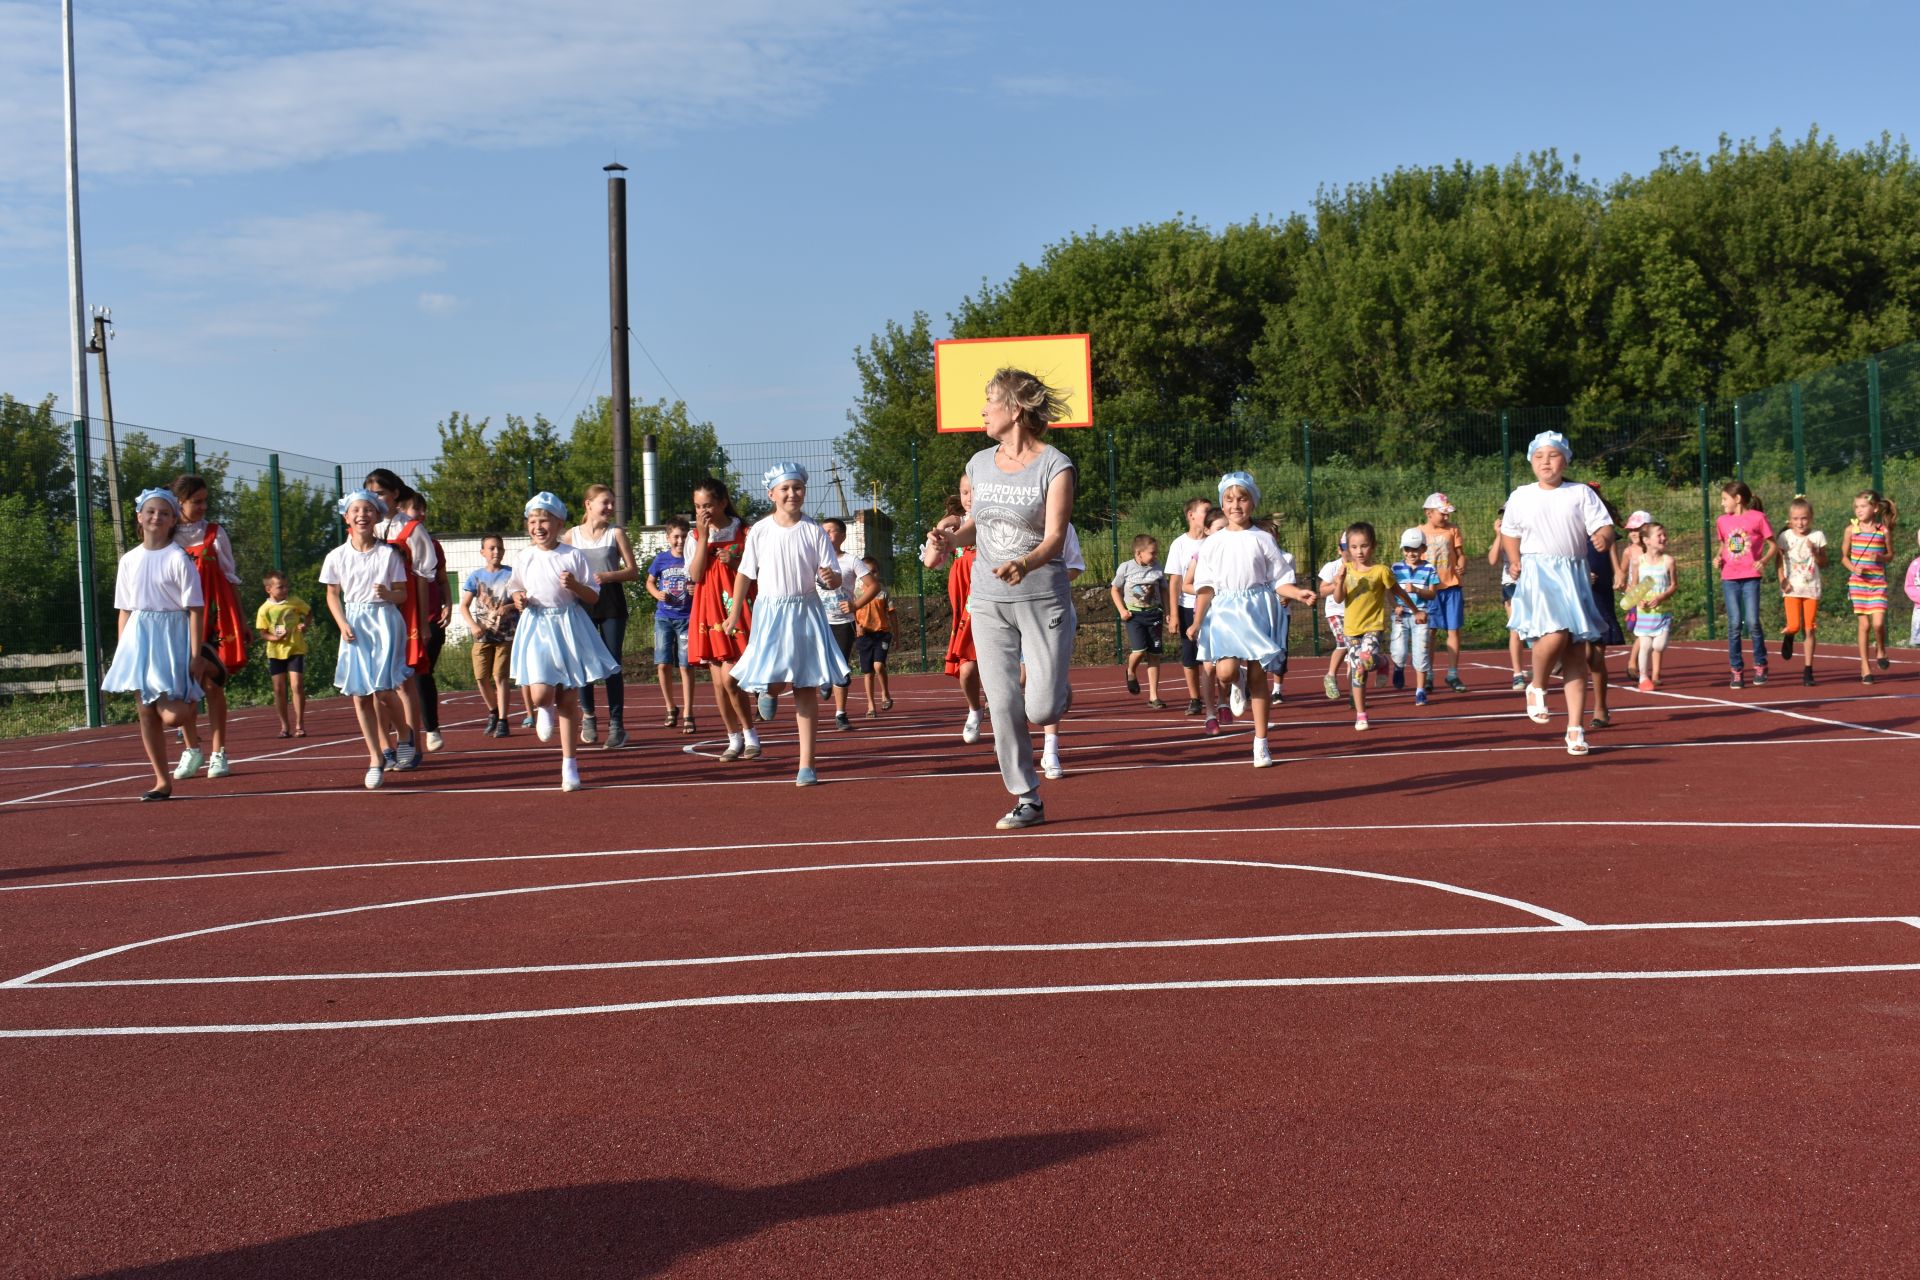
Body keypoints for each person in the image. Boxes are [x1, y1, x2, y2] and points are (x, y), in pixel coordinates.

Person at [926, 367, 1076, 831]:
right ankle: (1027, 796)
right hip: (987, 600)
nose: (983, 411)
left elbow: (1055, 537)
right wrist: (951, 538)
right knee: (1003, 700)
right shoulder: (978, 463)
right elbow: (979, 522)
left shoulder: (1056, 465)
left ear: (1014, 409)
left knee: (1042, 709)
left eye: (990, 401)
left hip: (1042, 595)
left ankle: (1055, 688)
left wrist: (1025, 564)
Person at [725, 463, 850, 786]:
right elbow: (744, 574)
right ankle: (769, 690)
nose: (792, 493)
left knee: (805, 685)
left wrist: (830, 578)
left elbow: (833, 578)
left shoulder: (814, 531)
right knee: (774, 678)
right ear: (772, 494)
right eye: (785, 489)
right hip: (770, 613)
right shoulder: (760, 531)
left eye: (797, 488)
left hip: (806, 611)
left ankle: (806, 764)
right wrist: (735, 611)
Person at [1499, 431, 1614, 756]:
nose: (1545, 462)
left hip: (1574, 574)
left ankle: (1575, 730)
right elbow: (1510, 532)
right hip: (1539, 573)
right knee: (1555, 633)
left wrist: (1604, 538)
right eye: (1539, 456)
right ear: (1531, 461)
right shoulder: (1521, 495)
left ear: (1565, 459)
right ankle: (1537, 685)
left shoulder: (1580, 493)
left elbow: (1603, 526)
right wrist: (1515, 559)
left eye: (1552, 455)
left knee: (1577, 652)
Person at [102, 488, 214, 800]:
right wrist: (124, 651)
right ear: (139, 516)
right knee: (145, 711)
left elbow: (195, 609)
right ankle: (162, 780)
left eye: (164, 513)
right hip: (140, 636)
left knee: (172, 716)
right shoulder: (129, 560)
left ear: (172, 520)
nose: (156, 517)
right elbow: (125, 610)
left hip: (171, 636)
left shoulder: (179, 558)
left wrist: (195, 654)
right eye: (150, 511)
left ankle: (194, 695)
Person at [507, 492, 621, 791]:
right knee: (541, 694)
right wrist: (518, 598)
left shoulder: (572, 555)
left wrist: (574, 586)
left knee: (568, 699)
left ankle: (569, 764)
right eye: (533, 521)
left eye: (544, 520)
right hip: (536, 625)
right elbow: (516, 588)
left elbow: (593, 596)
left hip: (568, 625)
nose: (538, 526)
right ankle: (542, 709)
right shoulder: (524, 556)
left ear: (559, 523)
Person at [1188, 472, 1288, 768]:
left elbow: (1280, 576)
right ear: (1222, 503)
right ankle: (1236, 680)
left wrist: (1296, 592)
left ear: (1252, 503)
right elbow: (1205, 587)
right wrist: (1196, 621)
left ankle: (1261, 743)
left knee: (1260, 677)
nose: (1235, 505)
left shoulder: (1263, 539)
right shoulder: (1213, 543)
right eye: (1229, 499)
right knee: (1225, 672)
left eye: (1242, 498)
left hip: (1256, 608)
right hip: (1224, 612)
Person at [320, 489, 415, 790]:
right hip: (354, 623)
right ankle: (376, 758)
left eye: (368, 510)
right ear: (346, 516)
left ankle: (405, 735)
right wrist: (342, 623)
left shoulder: (389, 555)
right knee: (360, 694)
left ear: (377, 515)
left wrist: (389, 594)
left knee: (385, 691)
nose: (362, 514)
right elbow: (332, 594)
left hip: (385, 620)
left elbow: (403, 593)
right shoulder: (336, 556)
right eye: (355, 510)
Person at [170, 473, 250, 780]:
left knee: (211, 685)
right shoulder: (167, 536)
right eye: (196, 501)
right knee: (184, 688)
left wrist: (241, 621)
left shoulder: (215, 534)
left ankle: (219, 753)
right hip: (177, 620)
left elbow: (231, 579)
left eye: (205, 500)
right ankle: (192, 749)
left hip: (213, 619)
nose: (203, 506)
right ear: (180, 502)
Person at [686, 475, 759, 760]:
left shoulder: (745, 531)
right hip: (708, 608)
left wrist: (737, 562)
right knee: (718, 683)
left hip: (738, 605)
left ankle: (751, 732)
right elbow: (694, 575)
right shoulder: (696, 537)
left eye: (707, 505)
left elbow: (760, 570)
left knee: (731, 679)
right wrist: (704, 538)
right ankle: (734, 738)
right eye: (697, 506)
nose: (702, 511)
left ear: (723, 503)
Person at [363, 469, 431, 769]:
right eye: (370, 493)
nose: (374, 499)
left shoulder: (411, 529)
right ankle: (385, 747)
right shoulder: (366, 529)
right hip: (371, 612)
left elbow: (422, 576)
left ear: (394, 494)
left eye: (379, 493)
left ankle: (411, 742)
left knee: (404, 682)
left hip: (405, 610)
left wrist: (424, 622)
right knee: (374, 684)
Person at [563, 483, 640, 749]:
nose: (610, 507)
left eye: (612, 503)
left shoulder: (615, 533)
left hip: (611, 603)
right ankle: (589, 716)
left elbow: (633, 571)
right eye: (604, 502)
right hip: (582, 603)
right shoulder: (571, 536)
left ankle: (617, 725)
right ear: (588, 505)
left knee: (611, 663)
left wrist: (608, 576)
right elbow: (555, 563)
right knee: (584, 662)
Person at [1331, 523, 1416, 732]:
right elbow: (1338, 598)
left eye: (1364, 546)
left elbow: (1399, 592)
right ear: (1348, 549)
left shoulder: (1381, 571)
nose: (1359, 551)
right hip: (1351, 629)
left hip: (1372, 626)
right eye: (1354, 547)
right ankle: (1361, 714)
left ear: (1373, 546)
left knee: (1365, 660)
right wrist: (1339, 582)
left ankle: (1382, 661)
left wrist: (1415, 610)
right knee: (1359, 670)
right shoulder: (1346, 570)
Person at [923, 484, 986, 744]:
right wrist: (938, 534)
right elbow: (930, 562)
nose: (969, 497)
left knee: (1009, 674)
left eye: (974, 490)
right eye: (964, 492)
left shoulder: (994, 521)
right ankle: (975, 709)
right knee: (968, 671)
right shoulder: (953, 529)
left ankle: (1007, 727)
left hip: (996, 604)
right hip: (967, 613)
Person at [393, 490, 453, 752]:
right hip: (399, 619)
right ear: (401, 511)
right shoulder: (388, 544)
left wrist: (448, 605)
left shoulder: (431, 543)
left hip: (428, 618)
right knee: (396, 681)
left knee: (420, 672)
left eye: (424, 508)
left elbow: (441, 580)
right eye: (417, 508)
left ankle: (430, 728)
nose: (423, 513)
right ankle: (403, 735)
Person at [460, 533, 519, 737]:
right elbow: (464, 606)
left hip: (506, 634)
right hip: (483, 634)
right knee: (480, 677)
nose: (496, 552)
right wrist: (473, 625)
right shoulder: (476, 577)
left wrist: (510, 606)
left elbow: (523, 599)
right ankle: (493, 711)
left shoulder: (512, 574)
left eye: (500, 548)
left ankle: (503, 720)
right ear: (483, 552)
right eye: (492, 548)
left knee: (500, 676)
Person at [1717, 480, 1775, 688]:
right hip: (1729, 577)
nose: (1722, 503)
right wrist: (1718, 558)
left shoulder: (1758, 518)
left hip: (1751, 576)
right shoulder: (1722, 521)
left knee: (1752, 622)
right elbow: (1724, 544)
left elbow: (1772, 544)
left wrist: (1764, 560)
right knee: (1734, 624)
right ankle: (1737, 670)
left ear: (1737, 498)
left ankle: (1760, 663)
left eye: (1725, 499)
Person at [1164, 497, 1215, 718]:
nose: (1209, 514)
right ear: (1191, 515)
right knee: (1189, 654)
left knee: (1215, 653)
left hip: (1214, 606)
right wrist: (1173, 613)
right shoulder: (1180, 544)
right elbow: (1175, 581)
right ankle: (1195, 699)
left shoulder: (1215, 540)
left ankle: (1220, 696)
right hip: (1187, 607)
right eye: (1205, 511)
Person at [645, 515, 696, 734]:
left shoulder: (693, 559)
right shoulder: (661, 559)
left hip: (686, 619)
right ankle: (670, 707)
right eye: (676, 537)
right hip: (664, 618)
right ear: (668, 538)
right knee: (663, 664)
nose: (680, 541)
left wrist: (696, 590)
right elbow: (649, 581)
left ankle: (688, 712)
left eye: (684, 536)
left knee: (686, 666)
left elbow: (702, 582)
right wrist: (657, 593)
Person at [817, 516, 866, 733]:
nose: (826, 535)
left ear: (843, 536)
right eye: (823, 531)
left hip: (843, 622)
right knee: (820, 660)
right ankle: (823, 678)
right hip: (817, 620)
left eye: (831, 531)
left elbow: (873, 586)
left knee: (841, 668)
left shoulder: (851, 561)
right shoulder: (812, 560)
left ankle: (840, 714)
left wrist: (855, 605)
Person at [1583, 487, 1626, 731]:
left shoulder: (1603, 524)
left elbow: (1611, 549)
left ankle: (1601, 707)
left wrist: (1618, 571)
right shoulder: (1570, 523)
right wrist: (1578, 575)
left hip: (1599, 591)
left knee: (1596, 654)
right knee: (1577, 650)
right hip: (1573, 590)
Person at [1775, 496, 1829, 687]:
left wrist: (1815, 552)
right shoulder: (1785, 537)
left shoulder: (1817, 536)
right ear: (1790, 520)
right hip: (1791, 588)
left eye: (1804, 518)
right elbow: (1778, 562)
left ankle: (1808, 670)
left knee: (1809, 628)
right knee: (1794, 626)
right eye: (1796, 519)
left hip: (1811, 588)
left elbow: (1824, 562)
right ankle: (1789, 635)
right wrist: (1782, 580)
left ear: (1811, 518)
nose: (1800, 522)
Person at [1417, 493, 1468, 691]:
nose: (1446, 517)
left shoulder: (1453, 530)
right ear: (1429, 513)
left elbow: (1460, 555)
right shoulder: (1418, 532)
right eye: (1442, 513)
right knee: (1430, 632)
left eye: (1448, 514)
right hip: (1429, 590)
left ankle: (1453, 674)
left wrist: (1462, 565)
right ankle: (1428, 673)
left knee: (1453, 629)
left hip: (1452, 587)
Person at [1111, 533, 1168, 708]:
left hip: (1154, 615)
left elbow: (1164, 590)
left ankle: (1153, 697)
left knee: (1154, 655)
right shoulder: (1126, 568)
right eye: (1152, 552)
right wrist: (1122, 610)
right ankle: (1130, 671)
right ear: (1139, 553)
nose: (1155, 556)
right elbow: (1114, 590)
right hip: (1134, 616)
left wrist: (1168, 611)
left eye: (1156, 552)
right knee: (1139, 650)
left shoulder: (1157, 567)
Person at [255, 569, 311, 738]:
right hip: (275, 653)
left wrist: (304, 625)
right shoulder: (264, 609)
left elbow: (308, 613)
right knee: (279, 689)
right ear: (269, 589)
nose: (285, 590)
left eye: (286, 587)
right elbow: (263, 632)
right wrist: (274, 637)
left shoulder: (294, 602)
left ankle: (299, 724)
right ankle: (284, 726)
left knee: (296, 685)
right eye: (280, 587)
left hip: (295, 648)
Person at [1845, 489, 1893, 684]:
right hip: (1858, 584)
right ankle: (1865, 666)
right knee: (1864, 625)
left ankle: (1881, 648)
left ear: (1874, 508)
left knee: (1878, 623)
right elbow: (1843, 556)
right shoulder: (1851, 530)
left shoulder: (1883, 531)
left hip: (1877, 583)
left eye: (1863, 506)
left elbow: (1891, 555)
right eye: (1856, 506)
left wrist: (1880, 557)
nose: (1859, 510)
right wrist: (1853, 568)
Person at [1389, 528, 1438, 706]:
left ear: (1423, 549)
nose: (1411, 553)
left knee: (1421, 653)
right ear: (1402, 550)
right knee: (1399, 651)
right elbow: (1389, 591)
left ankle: (1420, 690)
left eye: (1415, 549)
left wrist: (1416, 590)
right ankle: (1399, 667)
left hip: (1421, 616)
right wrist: (1395, 607)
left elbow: (1432, 594)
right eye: (1407, 549)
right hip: (1400, 616)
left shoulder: (1429, 568)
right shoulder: (1395, 568)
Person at [1631, 522, 1678, 691]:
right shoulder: (1639, 562)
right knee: (1645, 645)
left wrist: (1662, 596)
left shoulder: (1668, 561)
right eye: (1659, 535)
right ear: (1647, 540)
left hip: (1662, 613)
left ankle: (1649, 675)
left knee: (1658, 646)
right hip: (1644, 613)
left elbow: (1673, 585)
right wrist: (1638, 600)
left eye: (1664, 535)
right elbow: (1633, 586)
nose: (1663, 538)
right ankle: (1643, 678)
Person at [852, 556, 895, 717]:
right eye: (868, 572)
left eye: (875, 572)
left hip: (881, 634)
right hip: (864, 636)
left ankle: (885, 693)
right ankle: (871, 706)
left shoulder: (883, 592)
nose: (872, 575)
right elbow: (852, 612)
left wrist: (896, 635)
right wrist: (857, 626)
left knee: (878, 666)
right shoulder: (856, 593)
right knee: (868, 672)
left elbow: (892, 614)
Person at [1488, 509, 1526, 689]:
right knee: (1516, 628)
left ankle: (1540, 666)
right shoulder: (1505, 536)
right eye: (1504, 514)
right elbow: (1492, 560)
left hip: (1534, 584)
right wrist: (1498, 536)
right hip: (1511, 584)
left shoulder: (1530, 532)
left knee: (1538, 629)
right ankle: (1517, 673)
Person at [1619, 511, 1652, 679]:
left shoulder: (1654, 551)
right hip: (1635, 596)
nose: (1633, 533)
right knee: (1641, 631)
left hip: (1652, 594)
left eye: (1637, 529)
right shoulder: (1629, 551)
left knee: (1647, 632)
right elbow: (1622, 572)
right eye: (1630, 530)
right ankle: (1634, 663)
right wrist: (1621, 585)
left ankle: (1635, 664)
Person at [1319, 540, 1350, 702]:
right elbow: (1322, 591)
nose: (1350, 552)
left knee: (1355, 651)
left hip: (1354, 612)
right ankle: (1330, 676)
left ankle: (1355, 690)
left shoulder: (1361, 567)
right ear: (1340, 549)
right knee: (1344, 642)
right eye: (1346, 548)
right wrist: (1337, 583)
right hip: (1335, 611)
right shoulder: (1331, 567)